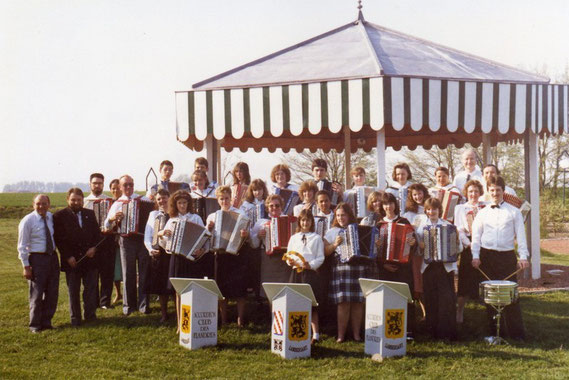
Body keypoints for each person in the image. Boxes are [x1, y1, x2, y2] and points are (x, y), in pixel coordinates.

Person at [471, 176, 528, 341]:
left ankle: (517, 334)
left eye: (498, 190)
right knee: (491, 297)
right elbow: (476, 237)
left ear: (504, 191)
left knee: (510, 296)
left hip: (507, 257)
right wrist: (475, 256)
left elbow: (521, 237)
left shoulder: (514, 212)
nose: (495, 193)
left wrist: (523, 256)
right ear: (488, 192)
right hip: (487, 257)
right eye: (492, 190)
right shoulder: (482, 213)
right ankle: (494, 334)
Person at [324, 202, 373, 343]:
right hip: (342, 268)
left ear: (349, 215)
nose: (340, 218)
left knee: (358, 302)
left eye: (343, 215)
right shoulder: (332, 231)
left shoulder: (359, 228)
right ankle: (341, 335)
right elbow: (325, 252)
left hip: (359, 267)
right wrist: (334, 245)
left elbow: (369, 247)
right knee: (343, 303)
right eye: (338, 215)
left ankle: (356, 334)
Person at [160, 190, 208, 331]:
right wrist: (164, 235)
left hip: (192, 259)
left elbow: (204, 237)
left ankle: (192, 321)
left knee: (192, 289)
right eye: (179, 203)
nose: (182, 205)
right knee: (179, 291)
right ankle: (181, 324)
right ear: (175, 204)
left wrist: (201, 250)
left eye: (185, 202)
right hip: (177, 258)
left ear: (189, 204)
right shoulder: (171, 220)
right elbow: (165, 245)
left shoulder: (196, 218)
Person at [104, 175, 151, 315]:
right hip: (126, 240)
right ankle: (129, 306)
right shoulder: (117, 203)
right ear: (120, 187)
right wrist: (113, 218)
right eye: (125, 185)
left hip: (142, 239)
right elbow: (107, 225)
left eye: (131, 184)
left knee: (144, 273)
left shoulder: (144, 200)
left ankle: (144, 305)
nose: (129, 188)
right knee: (128, 273)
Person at [53, 188, 101, 326]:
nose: (76, 202)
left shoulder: (90, 214)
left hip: (90, 259)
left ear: (83, 200)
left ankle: (90, 316)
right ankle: (75, 319)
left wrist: (94, 248)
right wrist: (68, 256)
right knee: (73, 291)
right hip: (72, 261)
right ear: (68, 200)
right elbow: (59, 239)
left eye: (79, 200)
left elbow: (97, 235)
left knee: (90, 289)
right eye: (73, 200)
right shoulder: (59, 216)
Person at [417, 198, 461, 340]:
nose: (432, 212)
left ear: (439, 210)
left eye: (434, 209)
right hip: (428, 267)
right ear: (426, 211)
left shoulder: (448, 226)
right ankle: (432, 331)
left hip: (445, 267)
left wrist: (457, 242)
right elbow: (417, 252)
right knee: (431, 299)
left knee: (447, 299)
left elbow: (458, 249)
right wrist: (421, 247)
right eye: (429, 209)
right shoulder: (420, 228)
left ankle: (447, 333)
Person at [376, 192, 418, 338]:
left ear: (395, 205)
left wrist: (413, 243)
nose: (388, 206)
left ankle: (408, 330)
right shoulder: (378, 224)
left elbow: (413, 244)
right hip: (385, 268)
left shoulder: (404, 222)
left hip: (403, 268)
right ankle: (388, 328)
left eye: (391, 203)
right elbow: (374, 251)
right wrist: (383, 265)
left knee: (405, 296)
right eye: (385, 204)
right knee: (386, 297)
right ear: (382, 206)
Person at [206, 186, 250, 326]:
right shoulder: (213, 216)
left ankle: (240, 319)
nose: (224, 201)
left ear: (231, 198)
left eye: (226, 198)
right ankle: (224, 318)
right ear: (217, 200)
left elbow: (247, 237)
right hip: (220, 254)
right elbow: (207, 237)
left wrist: (244, 235)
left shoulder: (240, 214)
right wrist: (209, 229)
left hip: (237, 254)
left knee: (240, 289)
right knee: (221, 289)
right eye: (221, 198)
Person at [17, 194, 60, 333]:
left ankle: (47, 322)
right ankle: (35, 325)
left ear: (49, 204)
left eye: (44, 203)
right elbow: (22, 246)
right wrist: (26, 266)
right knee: (36, 294)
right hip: (37, 259)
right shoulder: (27, 221)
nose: (41, 206)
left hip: (52, 258)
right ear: (33, 205)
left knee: (52, 292)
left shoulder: (51, 218)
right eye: (38, 204)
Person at [285, 209, 325, 344]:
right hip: (296, 273)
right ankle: (297, 330)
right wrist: (289, 261)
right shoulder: (294, 237)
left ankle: (315, 335)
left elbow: (320, 258)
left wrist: (310, 265)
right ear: (299, 222)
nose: (305, 223)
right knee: (295, 302)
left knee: (311, 304)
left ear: (311, 222)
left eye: (308, 220)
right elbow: (288, 255)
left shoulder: (317, 238)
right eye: (302, 220)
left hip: (310, 274)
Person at [454, 179, 485, 324]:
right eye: (471, 191)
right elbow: (459, 229)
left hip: (485, 246)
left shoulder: (486, 207)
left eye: (476, 191)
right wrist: (469, 244)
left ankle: (488, 311)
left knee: (484, 279)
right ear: (466, 193)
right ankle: (459, 311)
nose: (473, 194)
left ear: (480, 193)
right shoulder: (460, 208)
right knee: (465, 281)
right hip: (468, 245)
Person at [83, 173, 115, 309]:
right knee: (92, 272)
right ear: (90, 184)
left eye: (100, 183)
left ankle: (105, 302)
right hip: (90, 241)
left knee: (107, 272)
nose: (97, 186)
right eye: (95, 183)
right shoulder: (84, 201)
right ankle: (94, 301)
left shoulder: (110, 201)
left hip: (106, 239)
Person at [250, 194, 291, 296]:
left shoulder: (288, 221)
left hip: (284, 258)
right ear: (267, 208)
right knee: (270, 288)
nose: (274, 208)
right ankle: (271, 311)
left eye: (277, 205)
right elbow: (253, 244)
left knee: (284, 287)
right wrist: (258, 236)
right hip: (268, 257)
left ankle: (282, 311)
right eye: (271, 206)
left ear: (281, 207)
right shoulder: (261, 222)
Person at [143, 189, 172, 323]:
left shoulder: (174, 214)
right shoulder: (154, 215)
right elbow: (149, 236)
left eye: (164, 198)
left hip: (172, 253)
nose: (162, 201)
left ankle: (178, 312)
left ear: (169, 198)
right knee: (161, 287)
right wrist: (150, 249)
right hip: (159, 252)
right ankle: (164, 314)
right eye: (159, 199)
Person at [240, 179, 269, 297]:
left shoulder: (267, 202)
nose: (257, 192)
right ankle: (251, 290)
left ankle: (260, 292)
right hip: (251, 235)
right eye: (254, 190)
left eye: (259, 190)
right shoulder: (246, 205)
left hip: (264, 236)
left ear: (263, 190)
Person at [109, 178, 123, 305]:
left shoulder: (125, 201)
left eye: (118, 188)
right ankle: (118, 293)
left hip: (125, 237)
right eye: (113, 188)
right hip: (112, 238)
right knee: (116, 267)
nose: (115, 190)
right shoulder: (109, 203)